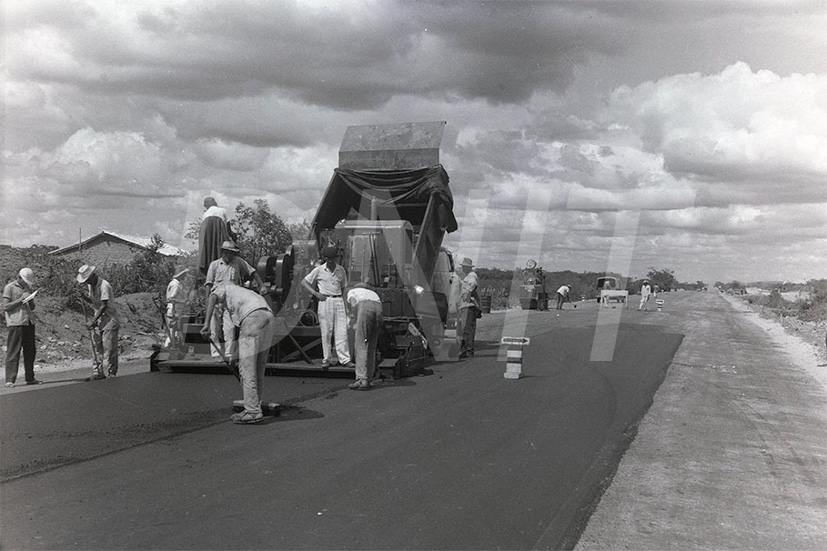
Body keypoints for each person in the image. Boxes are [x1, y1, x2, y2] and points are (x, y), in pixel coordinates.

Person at [200, 283, 276, 424]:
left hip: (253, 318)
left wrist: (206, 325)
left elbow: (212, 297)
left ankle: (253, 412)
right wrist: (234, 358)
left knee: (247, 368)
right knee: (258, 367)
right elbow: (244, 339)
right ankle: (254, 405)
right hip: (269, 317)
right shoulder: (243, 294)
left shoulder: (222, 287)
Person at [205, 240, 265, 360]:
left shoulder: (238, 262)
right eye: (226, 252)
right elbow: (209, 283)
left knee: (230, 328)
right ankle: (216, 353)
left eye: (231, 253)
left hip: (232, 300)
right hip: (216, 298)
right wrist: (207, 300)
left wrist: (261, 285)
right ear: (222, 252)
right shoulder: (214, 265)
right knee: (214, 326)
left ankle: (228, 353)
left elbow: (252, 272)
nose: (228, 255)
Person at [301, 245, 352, 368]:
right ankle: (327, 359)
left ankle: (345, 359)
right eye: (327, 258)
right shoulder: (319, 270)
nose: (330, 261)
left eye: (332, 258)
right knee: (326, 331)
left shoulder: (341, 270)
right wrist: (315, 293)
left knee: (342, 331)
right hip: (325, 300)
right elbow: (304, 282)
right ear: (325, 258)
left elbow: (344, 287)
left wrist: (344, 301)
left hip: (338, 300)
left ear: (335, 258)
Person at [77, 265, 120, 379]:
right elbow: (94, 302)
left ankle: (112, 372)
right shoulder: (90, 286)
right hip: (98, 318)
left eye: (87, 280)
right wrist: (84, 298)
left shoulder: (104, 285)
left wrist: (93, 321)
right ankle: (97, 372)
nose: (87, 282)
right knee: (96, 347)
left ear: (92, 276)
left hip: (109, 319)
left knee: (109, 348)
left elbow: (103, 305)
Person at [4, 268, 41, 387]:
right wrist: (21, 300)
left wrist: (30, 298)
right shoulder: (9, 287)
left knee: (30, 351)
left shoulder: (27, 288)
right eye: (24, 281)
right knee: (13, 351)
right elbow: (6, 307)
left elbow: (32, 307)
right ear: (19, 277)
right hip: (16, 323)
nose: (25, 283)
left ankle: (30, 378)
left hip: (28, 322)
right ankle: (10, 379)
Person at [345, 282, 383, 390]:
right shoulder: (372, 293)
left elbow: (353, 304)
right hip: (379, 308)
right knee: (371, 345)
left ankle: (361, 379)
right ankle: (369, 378)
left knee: (361, 344)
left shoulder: (352, 292)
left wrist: (353, 319)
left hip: (365, 307)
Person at [198, 196, 230, 276]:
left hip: (206, 230)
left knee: (207, 249)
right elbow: (228, 226)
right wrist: (231, 238)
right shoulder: (223, 210)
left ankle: (207, 271)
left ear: (207, 206)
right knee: (223, 247)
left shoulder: (205, 214)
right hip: (219, 228)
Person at [457, 257, 480, 359]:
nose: (462, 268)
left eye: (463, 267)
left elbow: (473, 284)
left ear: (467, 267)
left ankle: (469, 351)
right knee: (465, 329)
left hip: (468, 306)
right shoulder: (469, 276)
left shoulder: (471, 276)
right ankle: (465, 350)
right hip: (467, 306)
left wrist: (468, 293)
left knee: (467, 329)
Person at [165, 268, 191, 347]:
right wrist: (183, 301)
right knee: (173, 330)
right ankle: (170, 348)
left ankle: (172, 346)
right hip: (174, 310)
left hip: (176, 310)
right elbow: (171, 299)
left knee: (174, 331)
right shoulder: (176, 285)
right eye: (184, 275)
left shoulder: (176, 284)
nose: (185, 277)